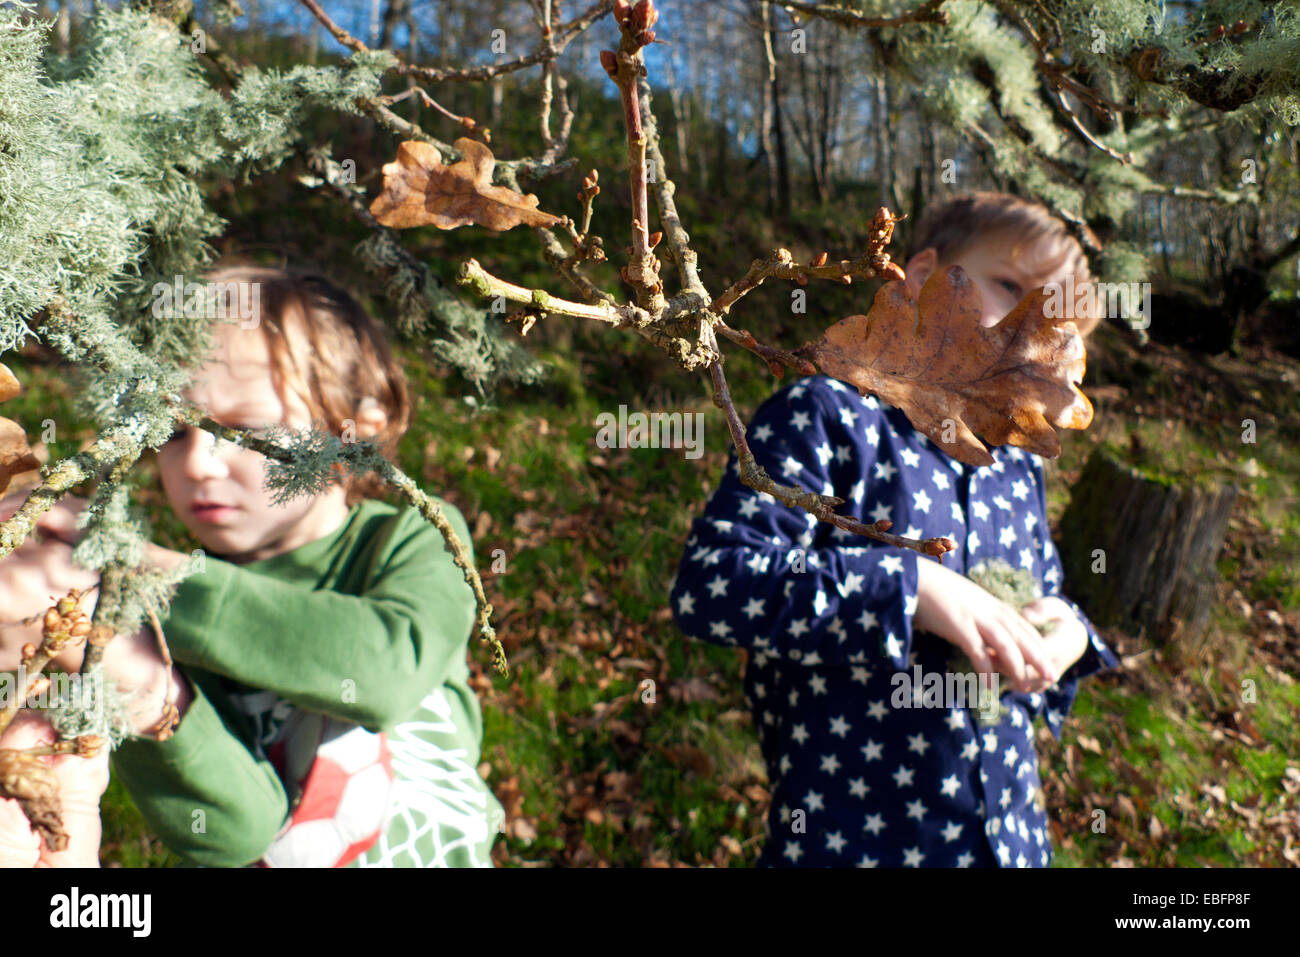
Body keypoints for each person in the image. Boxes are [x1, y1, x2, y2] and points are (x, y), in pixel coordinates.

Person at [670, 193, 1119, 867]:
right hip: (851, 841)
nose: (1035, 330)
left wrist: (1066, 634)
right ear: (921, 274)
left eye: (1060, 320)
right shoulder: (830, 417)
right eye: (1010, 287)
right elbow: (712, 581)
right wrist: (908, 586)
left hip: (1009, 844)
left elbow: (1040, 600)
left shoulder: (1015, 473)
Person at [0, 265, 502, 867]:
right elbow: (235, 832)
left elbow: (388, 667)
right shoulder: (161, 623)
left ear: (354, 431)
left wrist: (137, 576)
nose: (200, 463)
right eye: (174, 434)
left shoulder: (409, 537)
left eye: (244, 429)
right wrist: (134, 676)